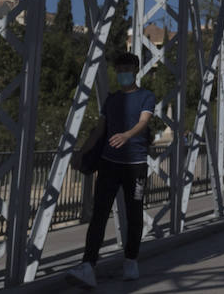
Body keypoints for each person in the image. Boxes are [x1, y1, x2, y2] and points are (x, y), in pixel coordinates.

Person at [65, 52, 156, 288]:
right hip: (109, 164)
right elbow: (99, 130)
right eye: (119, 70)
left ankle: (131, 261)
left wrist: (127, 135)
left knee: (134, 213)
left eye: (127, 69)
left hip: (136, 166)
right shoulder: (111, 99)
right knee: (99, 214)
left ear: (135, 70)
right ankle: (88, 265)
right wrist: (82, 153)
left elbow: (144, 122)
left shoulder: (146, 96)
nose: (123, 74)